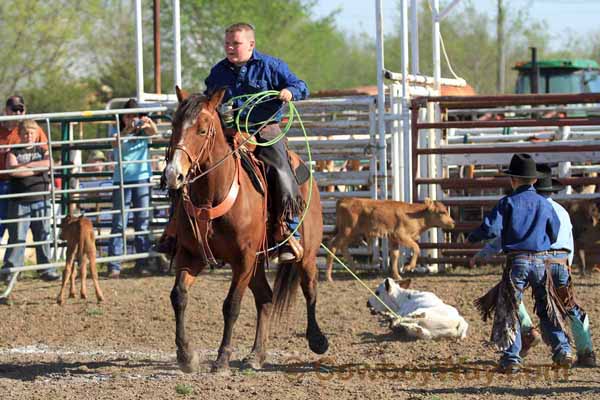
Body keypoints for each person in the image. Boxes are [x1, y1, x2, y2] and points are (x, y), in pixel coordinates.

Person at [155, 22, 309, 263]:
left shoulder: (271, 66)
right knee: (189, 167)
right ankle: (174, 229)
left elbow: (301, 86)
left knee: (281, 168)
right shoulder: (218, 72)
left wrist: (290, 91)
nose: (230, 47)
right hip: (229, 131)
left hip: (265, 129)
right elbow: (208, 102)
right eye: (227, 43)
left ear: (250, 44)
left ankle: (289, 231)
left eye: (235, 43)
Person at [473, 165, 597, 367]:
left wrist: (483, 252)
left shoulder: (526, 206)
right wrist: (566, 268)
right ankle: (583, 351)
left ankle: (526, 334)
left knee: (509, 298)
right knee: (565, 305)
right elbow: (566, 240)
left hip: (536, 258)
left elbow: (501, 236)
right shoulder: (562, 211)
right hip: (562, 261)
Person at [106, 99, 159, 278]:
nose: (131, 119)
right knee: (119, 222)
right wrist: (128, 129)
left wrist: (148, 123)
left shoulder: (143, 130)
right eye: (128, 116)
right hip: (121, 179)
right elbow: (114, 144)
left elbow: (155, 133)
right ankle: (114, 265)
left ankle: (143, 262)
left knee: (142, 221)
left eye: (135, 115)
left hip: (142, 178)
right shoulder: (116, 129)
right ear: (123, 117)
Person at [2, 119, 59, 281]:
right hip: (19, 199)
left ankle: (45, 268)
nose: (28, 136)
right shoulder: (13, 151)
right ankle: (11, 270)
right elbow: (12, 171)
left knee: (43, 234)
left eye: (32, 133)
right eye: (25, 133)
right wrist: (36, 169)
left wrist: (25, 167)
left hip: (41, 197)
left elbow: (49, 164)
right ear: (20, 134)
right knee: (17, 237)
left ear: (36, 135)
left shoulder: (42, 149)